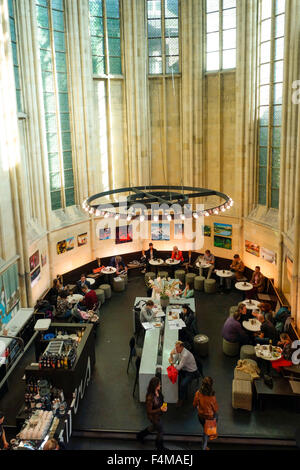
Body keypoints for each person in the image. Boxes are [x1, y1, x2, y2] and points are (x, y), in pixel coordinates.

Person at [136, 376, 167, 450]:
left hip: (158, 415)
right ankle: (159, 446)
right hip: (153, 417)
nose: (160, 386)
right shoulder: (150, 397)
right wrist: (160, 409)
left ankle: (140, 435)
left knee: (154, 428)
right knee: (161, 430)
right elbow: (149, 411)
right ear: (155, 386)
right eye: (159, 384)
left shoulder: (158, 391)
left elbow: (160, 400)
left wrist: (163, 406)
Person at [169, 340, 199, 407]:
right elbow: (174, 361)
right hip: (184, 369)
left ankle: (181, 399)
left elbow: (178, 368)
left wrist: (172, 364)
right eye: (175, 347)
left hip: (191, 372)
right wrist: (171, 355)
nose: (176, 349)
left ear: (181, 347)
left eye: (177, 348)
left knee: (182, 384)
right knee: (177, 377)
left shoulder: (185, 355)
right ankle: (179, 392)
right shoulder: (178, 351)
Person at [193, 377, 219, 451]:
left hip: (200, 416)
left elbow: (194, 404)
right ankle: (203, 447)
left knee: (205, 431)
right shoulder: (212, 397)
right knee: (206, 433)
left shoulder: (198, 393)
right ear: (211, 385)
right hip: (209, 418)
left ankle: (206, 436)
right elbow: (215, 409)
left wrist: (199, 406)